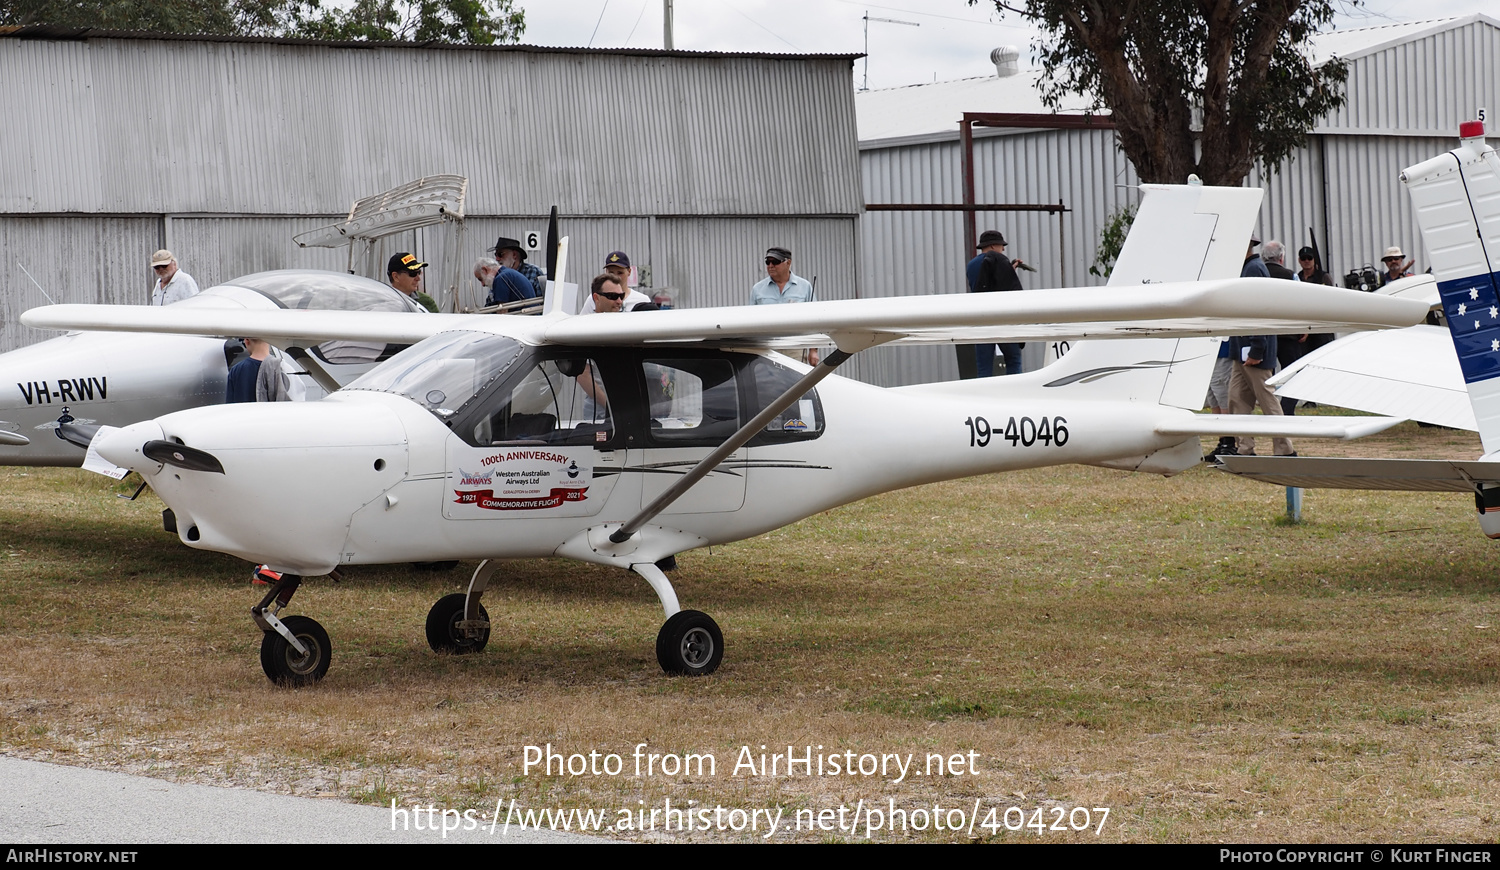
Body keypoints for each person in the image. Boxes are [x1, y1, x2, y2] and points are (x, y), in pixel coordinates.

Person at [965, 230, 1026, 376]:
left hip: (980, 321)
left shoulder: (971, 265)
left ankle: (984, 397)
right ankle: (1012, 394)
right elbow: (1007, 288)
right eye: (1001, 245)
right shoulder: (1000, 260)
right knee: (1013, 361)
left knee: (984, 367)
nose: (1003, 249)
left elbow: (985, 283)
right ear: (992, 246)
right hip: (1002, 320)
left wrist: (1009, 269)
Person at [751, 246, 819, 364]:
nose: (770, 266)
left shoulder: (805, 287)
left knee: (797, 380)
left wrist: (813, 350)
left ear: (788, 262)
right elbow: (750, 322)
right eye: (768, 262)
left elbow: (816, 319)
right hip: (767, 347)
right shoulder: (757, 289)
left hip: (795, 346)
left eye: (775, 262)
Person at [580, 252, 651, 313]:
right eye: (611, 272)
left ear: (629, 272)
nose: (615, 276)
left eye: (620, 273)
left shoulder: (642, 300)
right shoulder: (594, 299)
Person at [225, 338, 290, 403]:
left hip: (244, 412)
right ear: (270, 342)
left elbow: (230, 405)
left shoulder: (236, 370)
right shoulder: (282, 367)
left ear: (246, 341)